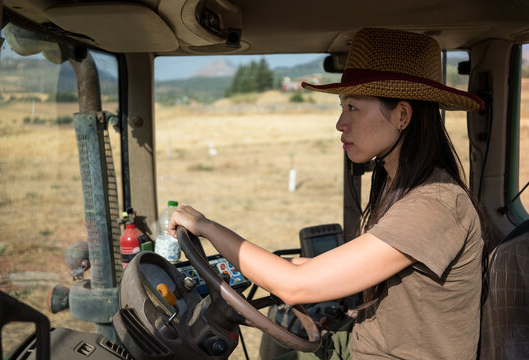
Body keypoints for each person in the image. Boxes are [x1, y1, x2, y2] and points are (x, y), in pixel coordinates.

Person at [168, 28, 487, 360]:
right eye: (342, 107)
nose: (340, 123)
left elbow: (295, 286)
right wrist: (284, 267)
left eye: (352, 108)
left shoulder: (434, 204)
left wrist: (205, 225)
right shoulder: (405, 188)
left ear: (402, 115)